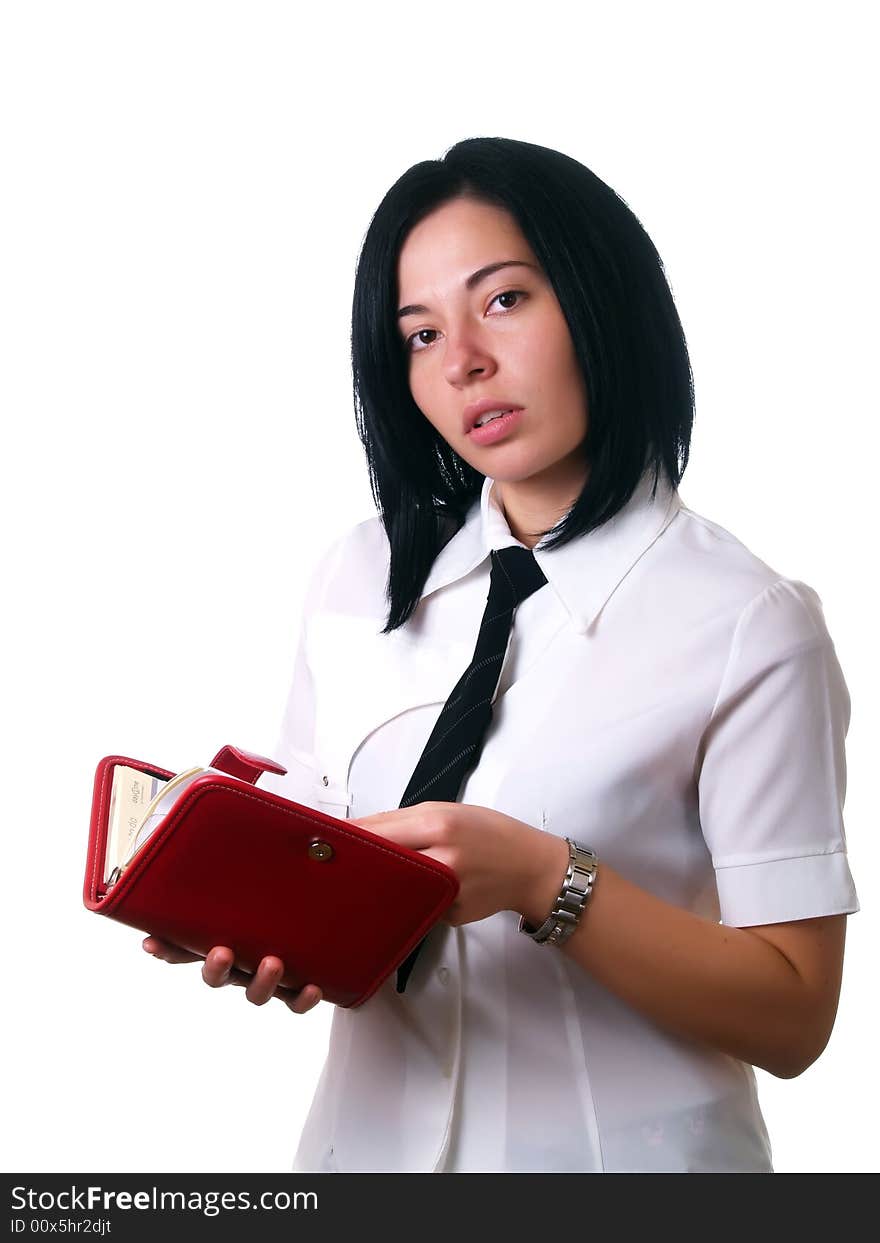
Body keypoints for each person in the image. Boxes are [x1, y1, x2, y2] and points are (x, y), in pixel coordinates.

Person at [143, 137, 860, 1173]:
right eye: (419, 332)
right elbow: (330, 856)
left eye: (504, 301)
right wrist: (257, 920)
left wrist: (543, 877)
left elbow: (794, 1012)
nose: (461, 361)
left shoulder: (750, 622)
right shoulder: (359, 574)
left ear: (600, 299)